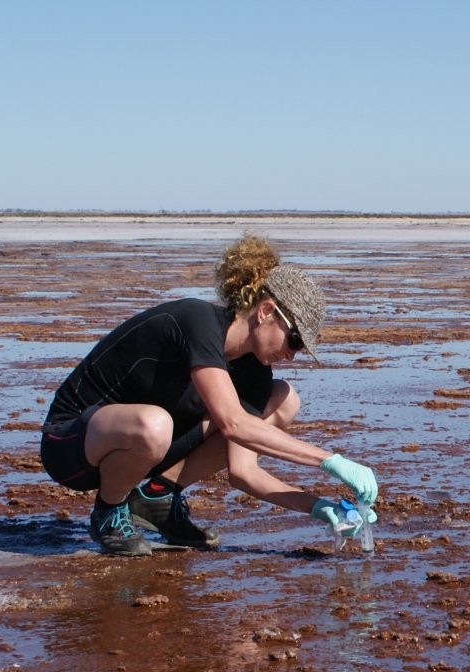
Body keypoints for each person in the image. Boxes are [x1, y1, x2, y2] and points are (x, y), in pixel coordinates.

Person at [38, 235, 379, 556]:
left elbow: (243, 471)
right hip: (71, 445)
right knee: (154, 425)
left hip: (145, 449)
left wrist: (321, 507)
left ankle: (157, 497)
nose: (294, 355)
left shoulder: (255, 374)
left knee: (283, 398)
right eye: (295, 341)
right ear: (265, 311)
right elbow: (232, 423)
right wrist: (331, 461)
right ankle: (109, 513)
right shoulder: (196, 320)